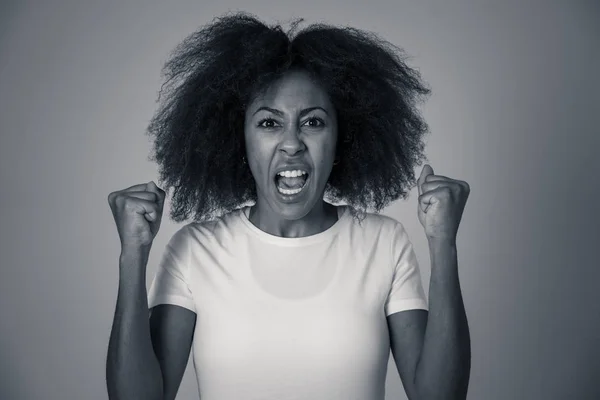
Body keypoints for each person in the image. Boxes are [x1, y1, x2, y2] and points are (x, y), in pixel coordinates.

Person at [106, 12, 471, 400]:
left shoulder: (384, 242)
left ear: (341, 140)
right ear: (238, 141)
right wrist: (133, 255)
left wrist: (443, 243)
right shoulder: (195, 250)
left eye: (312, 122)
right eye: (269, 123)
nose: (293, 143)